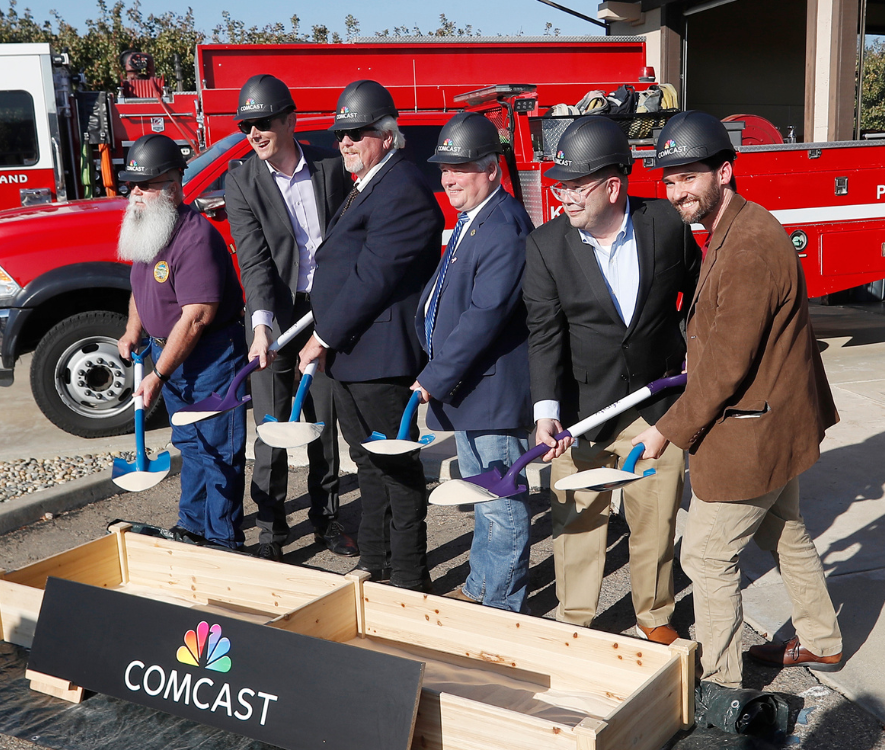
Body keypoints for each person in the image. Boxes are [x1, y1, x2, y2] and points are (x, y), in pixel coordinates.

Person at [631, 110, 844, 689]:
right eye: (670, 180)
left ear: (724, 172)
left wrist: (665, 430)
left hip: (753, 431)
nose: (677, 191)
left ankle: (721, 687)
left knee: (704, 557)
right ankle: (822, 640)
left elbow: (728, 365)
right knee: (785, 529)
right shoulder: (734, 227)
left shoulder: (748, 244)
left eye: (689, 177)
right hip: (774, 423)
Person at [522, 115, 700, 643]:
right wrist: (546, 413)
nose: (564, 197)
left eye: (576, 185)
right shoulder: (545, 246)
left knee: (655, 521)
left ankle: (654, 616)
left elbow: (698, 292)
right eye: (560, 186)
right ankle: (574, 623)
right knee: (577, 524)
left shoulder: (665, 225)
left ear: (613, 186)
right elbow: (543, 335)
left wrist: (693, 351)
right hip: (581, 415)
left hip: (656, 411)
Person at [299, 80, 443, 591]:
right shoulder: (372, 182)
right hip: (354, 353)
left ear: (386, 134)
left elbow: (373, 276)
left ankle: (408, 575)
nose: (344, 142)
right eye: (340, 134)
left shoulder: (402, 187)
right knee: (366, 462)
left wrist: (323, 337)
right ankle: (376, 561)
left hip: (380, 356)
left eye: (356, 133)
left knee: (396, 467)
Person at [225, 73, 358, 561]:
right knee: (271, 429)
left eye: (262, 123)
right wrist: (261, 326)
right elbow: (254, 261)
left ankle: (326, 518)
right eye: (246, 126)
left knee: (322, 422)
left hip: (326, 310)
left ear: (290, 120)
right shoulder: (241, 181)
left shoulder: (330, 166)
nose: (253, 134)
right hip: (275, 317)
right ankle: (271, 531)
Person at [415, 112, 535, 611]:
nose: (448, 178)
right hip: (470, 388)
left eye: (459, 168)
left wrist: (434, 376)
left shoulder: (503, 226)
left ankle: (502, 604)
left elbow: (484, 316)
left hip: (490, 391)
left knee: (501, 502)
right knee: (481, 498)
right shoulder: (475, 218)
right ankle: (481, 586)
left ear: (491, 169)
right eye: (444, 168)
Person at [114, 134, 247, 549]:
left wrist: (158, 374)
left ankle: (223, 541)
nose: (136, 193)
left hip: (209, 356)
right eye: (132, 184)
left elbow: (196, 318)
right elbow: (141, 288)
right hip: (168, 353)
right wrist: (133, 329)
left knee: (217, 448)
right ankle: (192, 527)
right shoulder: (149, 228)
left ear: (173, 188)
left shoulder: (195, 237)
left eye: (145, 184)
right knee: (189, 443)